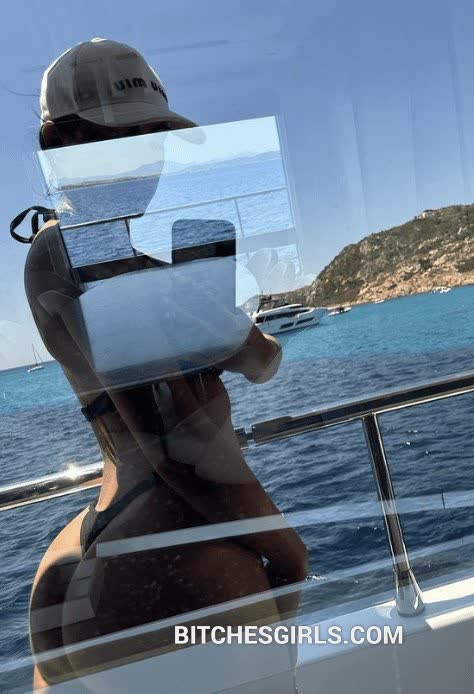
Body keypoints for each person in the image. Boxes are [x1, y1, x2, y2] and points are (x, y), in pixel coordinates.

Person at [24, 38, 308, 688]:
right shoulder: (85, 250)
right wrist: (288, 552)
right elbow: (181, 446)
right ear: (58, 144)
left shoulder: (73, 256)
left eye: (153, 142)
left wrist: (214, 316)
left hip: (94, 538)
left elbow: (258, 360)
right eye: (117, 141)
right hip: (182, 552)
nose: (142, 164)